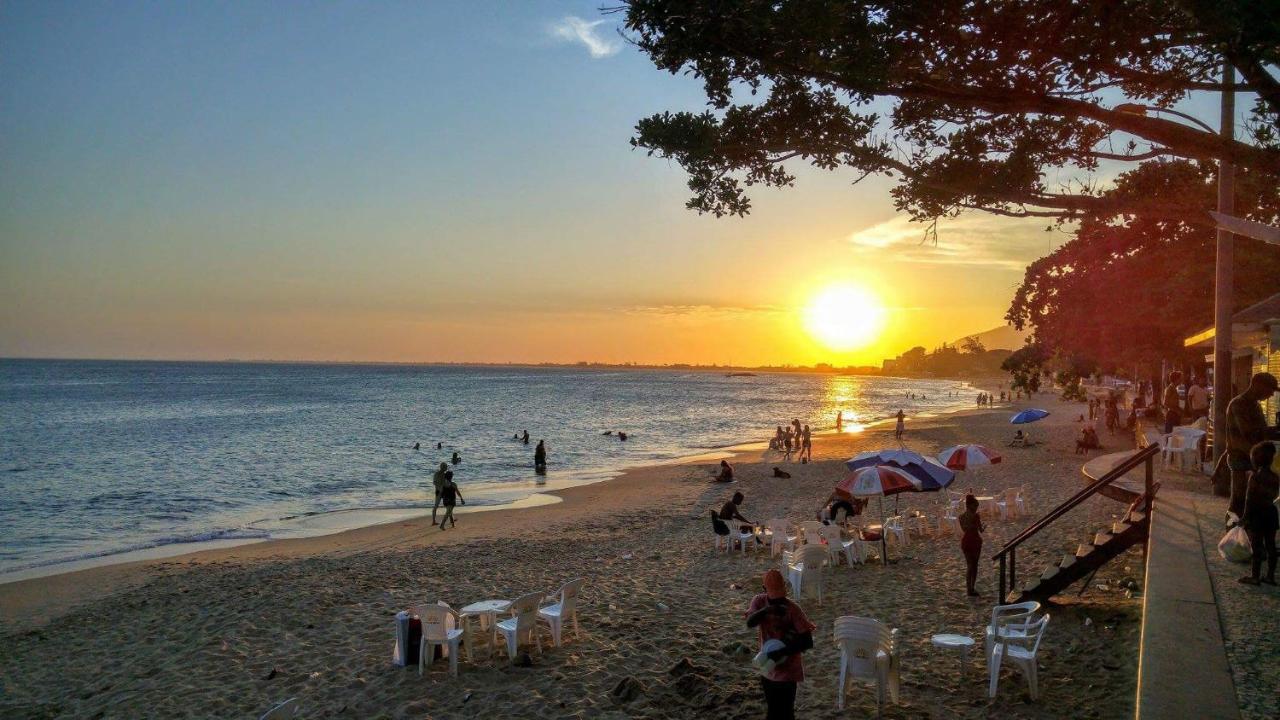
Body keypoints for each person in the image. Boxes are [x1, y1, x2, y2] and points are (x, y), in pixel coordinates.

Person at [745, 569, 815, 720]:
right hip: (767, 665)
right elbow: (750, 622)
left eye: (781, 596)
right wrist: (767, 610)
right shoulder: (759, 601)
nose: (779, 601)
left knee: (786, 711)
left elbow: (807, 641)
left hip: (789, 670)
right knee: (772, 708)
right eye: (775, 597)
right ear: (764, 590)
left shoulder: (793, 609)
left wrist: (783, 652)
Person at [1226, 373, 1280, 518]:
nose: (1270, 395)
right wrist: (1271, 430)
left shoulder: (1255, 405)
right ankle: (1232, 535)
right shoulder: (1239, 404)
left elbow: (1261, 432)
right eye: (1269, 390)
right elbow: (1249, 433)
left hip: (1253, 460)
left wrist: (1274, 430)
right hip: (1241, 460)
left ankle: (1246, 535)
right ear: (1257, 385)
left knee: (1253, 504)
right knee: (1239, 502)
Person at [1239, 442, 1278, 586]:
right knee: (1271, 545)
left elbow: (1249, 499)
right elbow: (1274, 496)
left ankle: (1255, 577)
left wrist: (1244, 517)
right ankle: (1270, 576)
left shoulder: (1254, 477)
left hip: (1258, 514)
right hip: (1271, 512)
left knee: (1256, 546)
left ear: (1256, 459)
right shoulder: (1275, 477)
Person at [959, 493, 985, 596]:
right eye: (975, 506)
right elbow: (980, 530)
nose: (976, 508)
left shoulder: (961, 517)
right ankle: (972, 588)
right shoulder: (976, 516)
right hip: (975, 542)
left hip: (966, 542)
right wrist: (982, 527)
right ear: (971, 506)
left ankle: (968, 589)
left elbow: (965, 529)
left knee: (969, 566)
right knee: (974, 566)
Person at [430, 462, 448, 526]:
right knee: (436, 506)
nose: (446, 468)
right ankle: (433, 521)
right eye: (445, 467)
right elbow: (434, 483)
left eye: (446, 467)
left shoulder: (444, 474)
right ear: (442, 467)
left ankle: (452, 518)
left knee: (448, 504)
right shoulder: (437, 474)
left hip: (444, 491)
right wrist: (440, 488)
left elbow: (446, 482)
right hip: (438, 491)